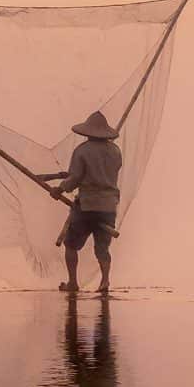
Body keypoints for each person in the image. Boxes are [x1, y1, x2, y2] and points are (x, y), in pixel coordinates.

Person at [42, 111, 123, 294]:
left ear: (87, 132)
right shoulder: (115, 151)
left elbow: (75, 177)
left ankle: (73, 283)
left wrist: (60, 189)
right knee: (102, 247)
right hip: (109, 206)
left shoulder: (82, 151)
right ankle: (105, 281)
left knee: (71, 245)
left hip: (87, 206)